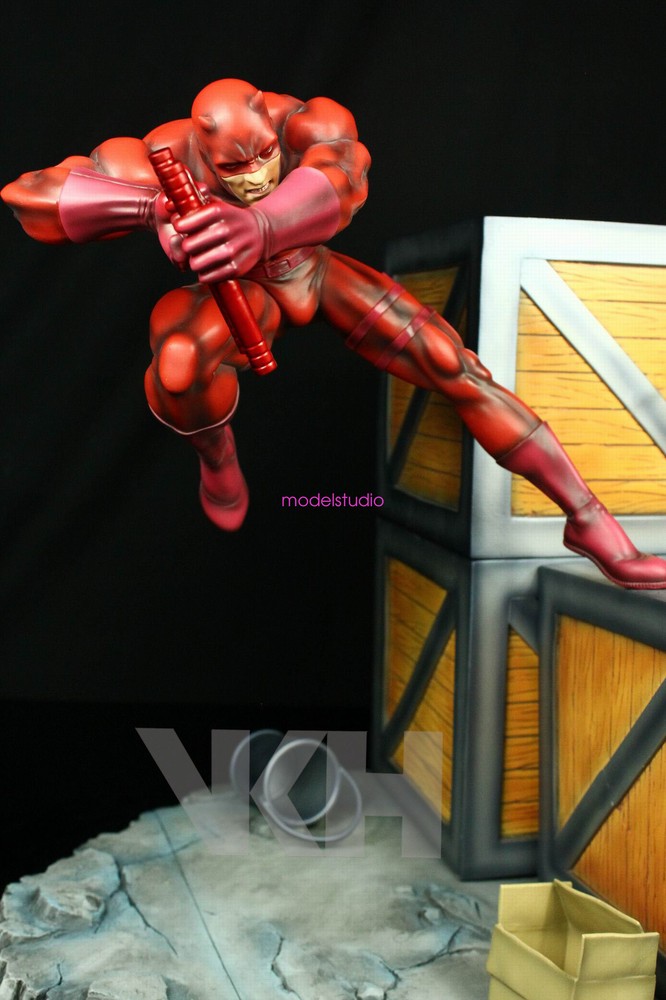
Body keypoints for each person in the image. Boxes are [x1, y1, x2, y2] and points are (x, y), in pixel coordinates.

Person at [3, 78, 665, 589]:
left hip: (314, 271)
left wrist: (260, 225)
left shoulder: (306, 122)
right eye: (234, 169)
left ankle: (587, 519)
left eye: (264, 157)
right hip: (243, 294)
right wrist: (152, 209)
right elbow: (30, 196)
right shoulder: (161, 154)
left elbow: (343, 180)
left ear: (271, 124)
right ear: (202, 150)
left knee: (452, 363)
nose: (255, 177)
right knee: (178, 363)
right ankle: (216, 455)